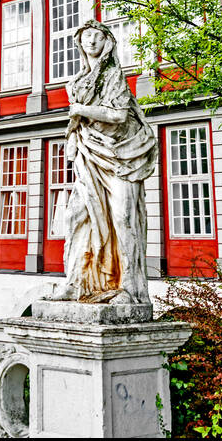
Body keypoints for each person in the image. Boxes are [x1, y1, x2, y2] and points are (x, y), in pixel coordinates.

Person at [61, 19, 157, 306]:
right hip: (88, 152)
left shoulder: (114, 76)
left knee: (123, 217)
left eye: (97, 36)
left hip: (120, 154)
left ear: (107, 42)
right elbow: (76, 122)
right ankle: (76, 282)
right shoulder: (76, 82)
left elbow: (117, 115)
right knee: (76, 217)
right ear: (80, 43)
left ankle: (129, 287)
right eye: (86, 36)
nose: (90, 41)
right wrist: (72, 139)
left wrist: (80, 109)